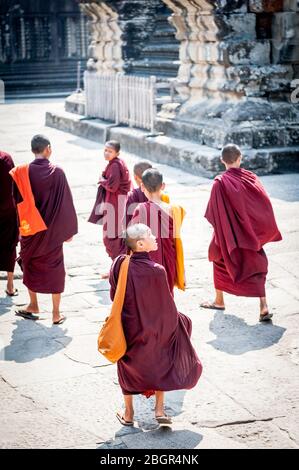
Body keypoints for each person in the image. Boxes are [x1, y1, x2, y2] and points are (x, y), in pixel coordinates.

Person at [110, 224, 202, 426]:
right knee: (163, 357)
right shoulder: (157, 271)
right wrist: (181, 323)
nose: (155, 237)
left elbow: (113, 295)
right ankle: (159, 410)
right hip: (155, 330)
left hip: (128, 331)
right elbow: (167, 309)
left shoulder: (119, 264)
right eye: (150, 235)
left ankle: (128, 413)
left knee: (127, 368)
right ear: (141, 244)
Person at [200, 144, 282, 322]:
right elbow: (263, 205)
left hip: (227, 233)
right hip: (249, 234)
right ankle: (263, 305)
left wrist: (225, 229)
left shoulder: (219, 183)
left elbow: (213, 213)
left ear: (222, 160)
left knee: (218, 258)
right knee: (256, 265)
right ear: (240, 158)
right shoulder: (250, 178)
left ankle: (219, 300)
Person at [11, 135, 78, 324]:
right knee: (55, 269)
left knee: (30, 264)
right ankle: (56, 313)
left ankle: (33, 305)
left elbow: (16, 203)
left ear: (33, 149)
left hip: (30, 230)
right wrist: (68, 231)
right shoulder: (57, 173)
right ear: (48, 148)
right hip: (53, 233)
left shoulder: (21, 172)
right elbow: (66, 203)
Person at [130, 169, 185, 294]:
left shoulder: (141, 208)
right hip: (169, 257)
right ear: (163, 186)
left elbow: (133, 237)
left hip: (147, 259)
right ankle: (168, 311)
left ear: (142, 187)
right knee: (167, 289)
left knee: (149, 293)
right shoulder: (175, 209)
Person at [88, 141, 132, 276]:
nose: (106, 153)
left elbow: (112, 186)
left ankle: (118, 268)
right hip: (115, 201)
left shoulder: (115, 166)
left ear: (117, 153)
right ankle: (117, 266)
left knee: (112, 237)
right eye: (105, 150)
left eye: (110, 151)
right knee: (114, 235)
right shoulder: (115, 163)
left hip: (115, 202)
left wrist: (101, 179)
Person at [0, 150, 19, 296]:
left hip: (7, 209)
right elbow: (14, 182)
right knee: (9, 245)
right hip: (7, 210)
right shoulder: (5, 157)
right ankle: (10, 285)